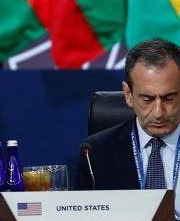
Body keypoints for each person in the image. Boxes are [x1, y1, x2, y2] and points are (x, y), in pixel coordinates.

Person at [76, 38, 180, 217]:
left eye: (168, 98)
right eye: (147, 99)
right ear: (128, 95)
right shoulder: (97, 153)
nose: (158, 112)